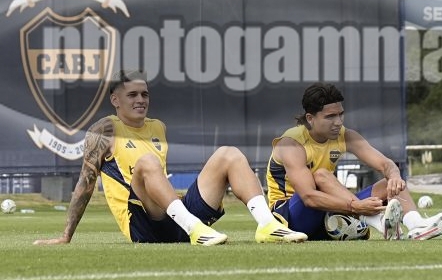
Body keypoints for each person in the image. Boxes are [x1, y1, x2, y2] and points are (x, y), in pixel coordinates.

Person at [34, 70, 307, 247]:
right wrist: (66, 236)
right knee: (147, 162)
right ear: (115, 100)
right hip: (142, 224)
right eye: (132, 95)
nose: (141, 99)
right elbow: (85, 183)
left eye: (145, 94)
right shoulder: (104, 130)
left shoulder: (158, 127)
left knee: (229, 153)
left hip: (175, 218)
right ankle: (195, 229)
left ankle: (267, 225)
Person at [266, 82, 442, 241]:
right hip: (289, 221)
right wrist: (355, 207)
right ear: (310, 118)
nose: (338, 122)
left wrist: (394, 176)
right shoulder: (291, 144)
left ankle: (416, 225)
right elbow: (309, 197)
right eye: (330, 116)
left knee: (391, 182)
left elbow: (386, 164)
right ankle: (374, 219)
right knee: (321, 175)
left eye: (340, 114)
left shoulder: (345, 136)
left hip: (325, 212)